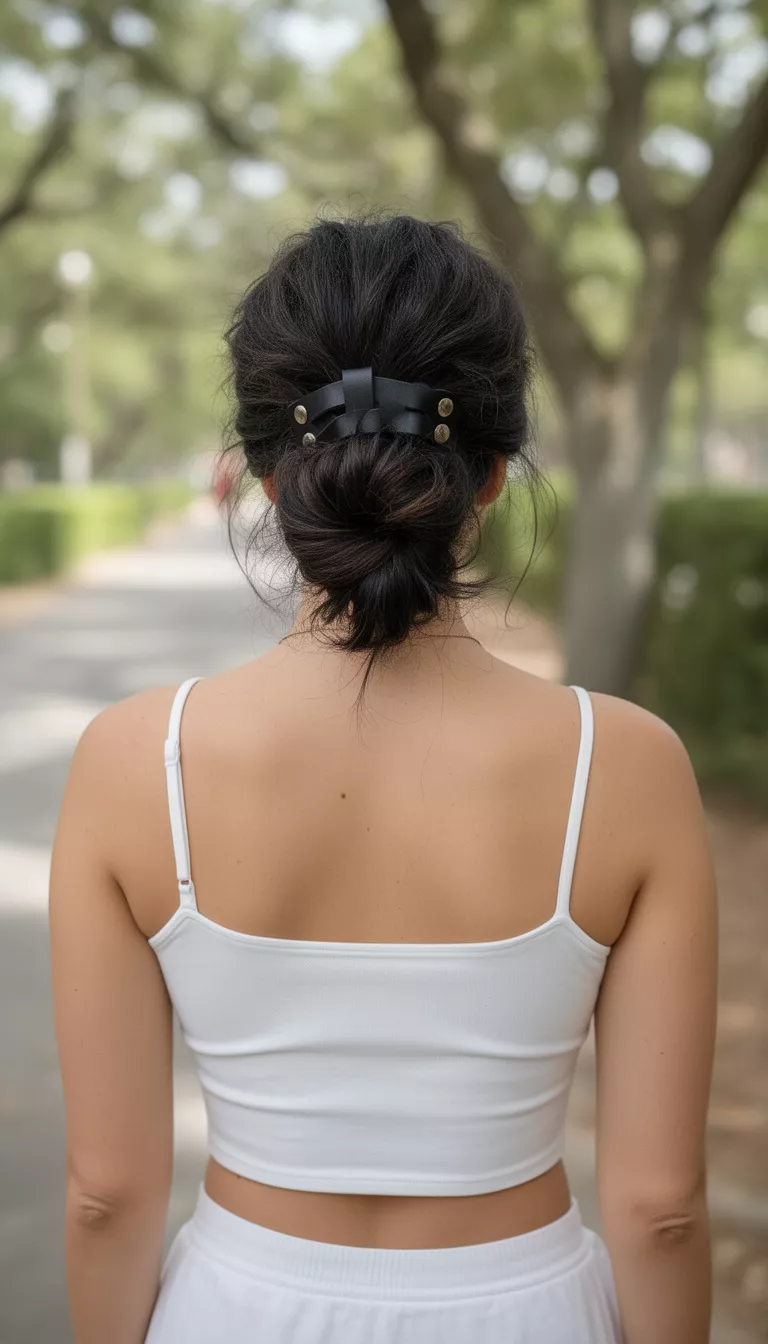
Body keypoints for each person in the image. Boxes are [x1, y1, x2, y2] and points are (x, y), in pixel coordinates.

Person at [50, 215, 718, 1344]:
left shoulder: (133, 761)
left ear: (266, 474)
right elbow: (660, 1210)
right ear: (494, 475)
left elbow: (107, 1191)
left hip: (237, 1306)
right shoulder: (629, 765)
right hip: (528, 1308)